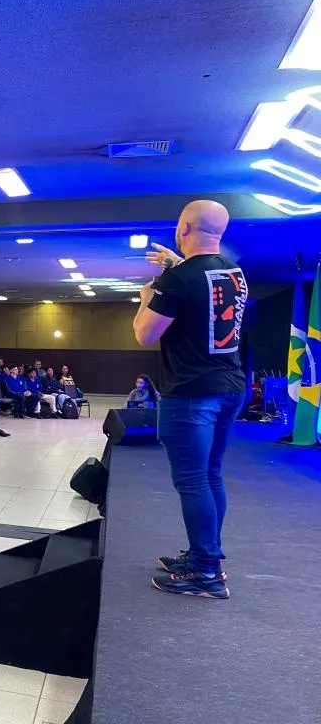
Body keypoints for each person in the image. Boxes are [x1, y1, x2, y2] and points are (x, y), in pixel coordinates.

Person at [134, 199, 248, 599]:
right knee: (211, 474)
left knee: (193, 480)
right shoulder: (234, 275)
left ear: (183, 227)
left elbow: (145, 334)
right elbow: (200, 283)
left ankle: (206, 572)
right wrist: (175, 265)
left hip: (190, 394)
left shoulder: (176, 281)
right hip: (230, 387)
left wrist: (147, 293)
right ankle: (206, 556)